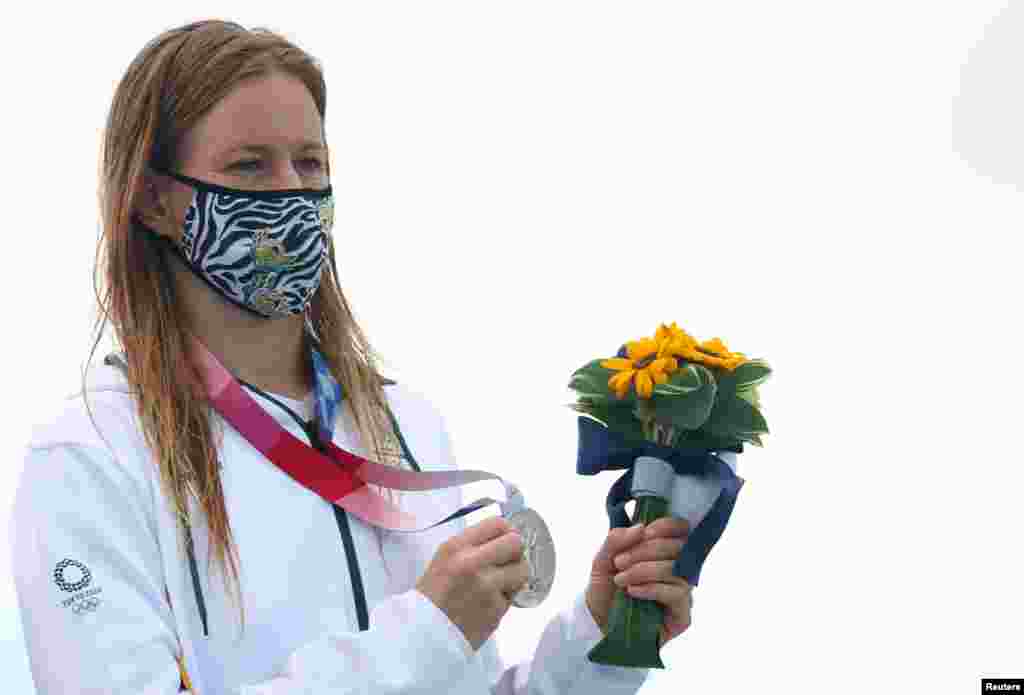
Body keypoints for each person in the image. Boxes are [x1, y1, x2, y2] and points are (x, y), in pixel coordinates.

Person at [10, 19, 694, 694]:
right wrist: (427, 630)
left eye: (311, 163)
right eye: (250, 164)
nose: (292, 193)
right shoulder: (91, 456)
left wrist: (600, 644)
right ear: (156, 201)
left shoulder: (402, 422)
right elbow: (421, 650)